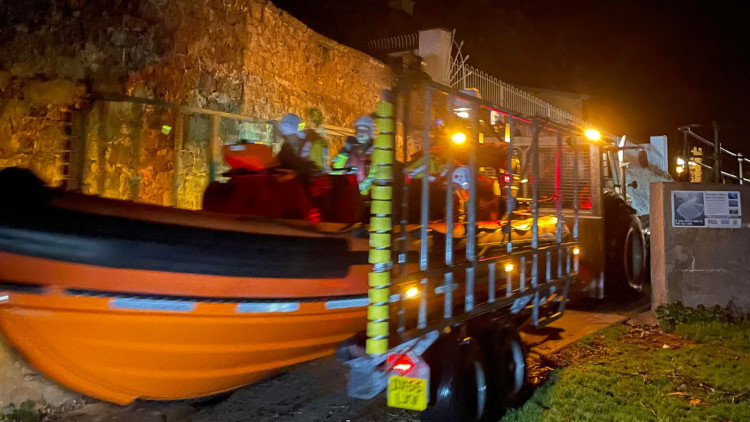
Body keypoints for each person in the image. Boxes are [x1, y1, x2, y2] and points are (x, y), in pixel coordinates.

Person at [332, 115, 377, 194]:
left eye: (364, 130)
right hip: (347, 192)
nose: (361, 134)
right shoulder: (351, 149)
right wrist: (344, 153)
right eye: (359, 130)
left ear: (370, 132)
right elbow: (336, 170)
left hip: (363, 196)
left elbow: (373, 176)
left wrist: (359, 188)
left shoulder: (375, 153)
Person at [276, 113, 327, 181]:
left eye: (289, 135)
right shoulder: (286, 148)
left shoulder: (314, 144)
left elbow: (316, 170)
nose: (287, 138)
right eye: (285, 136)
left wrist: (295, 173)